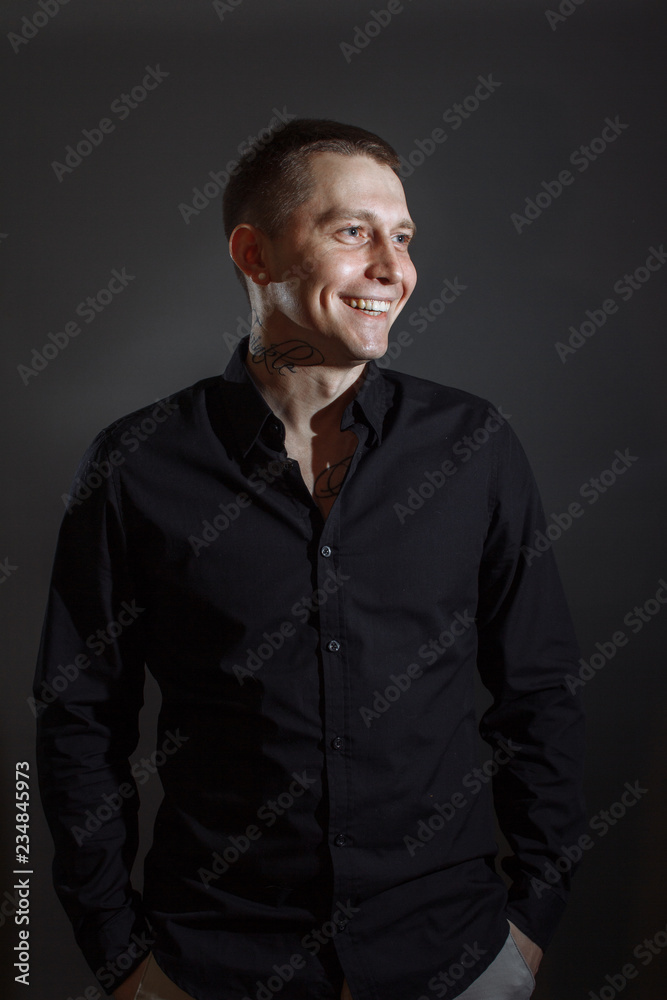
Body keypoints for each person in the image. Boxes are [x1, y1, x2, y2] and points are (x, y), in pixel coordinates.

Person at [34, 119, 586, 1000]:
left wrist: (534, 920)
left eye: (401, 237)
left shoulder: (472, 445)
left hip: (456, 958)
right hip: (214, 965)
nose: (393, 269)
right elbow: (72, 728)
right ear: (253, 254)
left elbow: (542, 697)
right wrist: (112, 954)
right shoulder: (135, 463)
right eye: (352, 231)